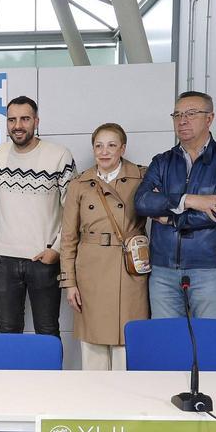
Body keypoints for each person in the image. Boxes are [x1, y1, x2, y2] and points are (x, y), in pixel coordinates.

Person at [135, 91, 216, 319]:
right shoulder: (161, 161)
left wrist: (170, 217)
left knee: (209, 344)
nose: (182, 120)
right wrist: (191, 200)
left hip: (209, 269)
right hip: (163, 269)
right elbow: (143, 202)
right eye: (177, 115)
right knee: (169, 344)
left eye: (191, 113)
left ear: (210, 118)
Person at [58, 123, 149, 370]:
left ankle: (125, 406)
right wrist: (70, 283)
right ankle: (96, 404)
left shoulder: (142, 177)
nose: (104, 151)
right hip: (91, 270)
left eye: (111, 145)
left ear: (123, 148)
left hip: (128, 269)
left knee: (127, 344)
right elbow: (68, 238)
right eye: (98, 145)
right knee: (93, 347)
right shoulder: (80, 184)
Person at [0, 96, 75, 339]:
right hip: (4, 259)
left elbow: (73, 211)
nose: (18, 125)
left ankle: (50, 380)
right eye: (12, 119)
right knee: (8, 331)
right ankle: (12, 379)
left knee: (47, 331)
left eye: (25, 119)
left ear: (36, 121)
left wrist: (57, 249)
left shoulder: (60, 156)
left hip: (43, 259)